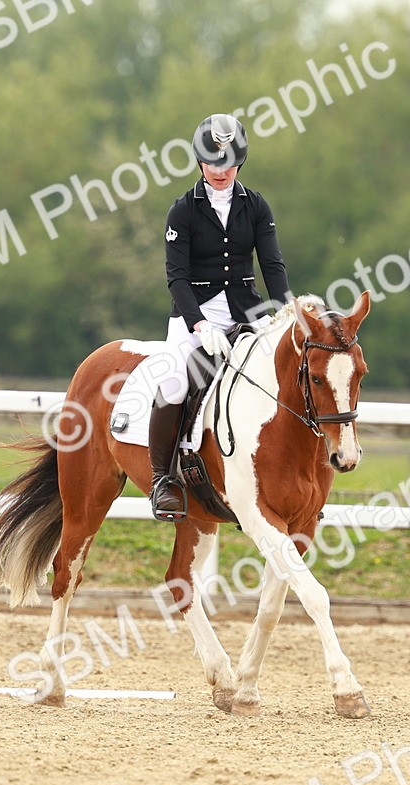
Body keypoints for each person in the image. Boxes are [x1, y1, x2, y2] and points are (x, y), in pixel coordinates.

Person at [149, 113, 292, 520]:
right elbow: (176, 278)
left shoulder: (256, 205)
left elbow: (273, 266)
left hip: (247, 309)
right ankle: (163, 479)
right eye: (213, 162)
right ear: (199, 162)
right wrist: (198, 324)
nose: (221, 170)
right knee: (177, 380)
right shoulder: (182, 212)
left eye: (228, 162)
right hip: (195, 312)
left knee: (281, 375)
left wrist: (284, 313)